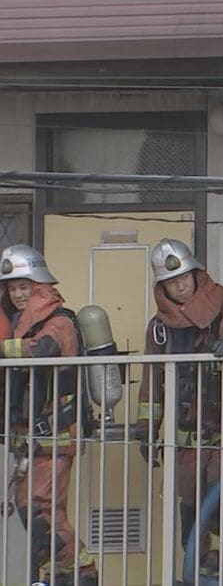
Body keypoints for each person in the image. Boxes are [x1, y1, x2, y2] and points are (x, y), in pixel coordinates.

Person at [135, 239, 223, 579]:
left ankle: (219, 571)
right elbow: (152, 383)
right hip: (186, 437)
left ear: (197, 273)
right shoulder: (159, 329)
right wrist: (147, 429)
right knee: (188, 505)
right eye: (172, 281)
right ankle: (193, 569)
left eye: (185, 276)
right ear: (163, 287)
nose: (180, 284)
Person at [0, 244, 98, 586]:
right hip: (31, 439)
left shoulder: (59, 322)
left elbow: (43, 351)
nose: (17, 294)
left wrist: (3, 347)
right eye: (12, 288)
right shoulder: (18, 327)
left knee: (41, 510)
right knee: (33, 509)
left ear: (39, 285)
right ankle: (59, 574)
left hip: (55, 435)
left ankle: (81, 573)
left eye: (24, 286)